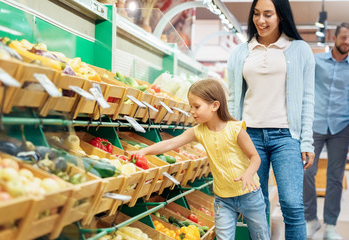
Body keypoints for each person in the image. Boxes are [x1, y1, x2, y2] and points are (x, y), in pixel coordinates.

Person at [131, 79, 270, 240]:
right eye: (191, 106)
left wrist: (248, 174)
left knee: (260, 235)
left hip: (249, 194)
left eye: (196, 106)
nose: (192, 111)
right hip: (223, 199)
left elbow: (255, 157)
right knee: (223, 238)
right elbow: (172, 143)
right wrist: (144, 151)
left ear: (215, 106)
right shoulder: (199, 131)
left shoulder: (235, 129)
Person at [226, 0, 315, 239]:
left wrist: (306, 141)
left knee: (292, 205)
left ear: (281, 16)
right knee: (257, 206)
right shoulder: (241, 52)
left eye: (268, 14)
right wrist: (231, 137)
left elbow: (307, 98)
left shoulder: (299, 50)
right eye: (256, 14)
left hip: (287, 137)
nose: (260, 20)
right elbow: (233, 97)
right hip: (249, 135)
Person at [303, 22, 349, 240]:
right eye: (343, 37)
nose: (346, 42)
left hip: (342, 126)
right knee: (306, 172)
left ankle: (330, 225)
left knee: (335, 178)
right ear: (334, 37)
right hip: (315, 124)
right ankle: (311, 220)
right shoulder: (316, 60)